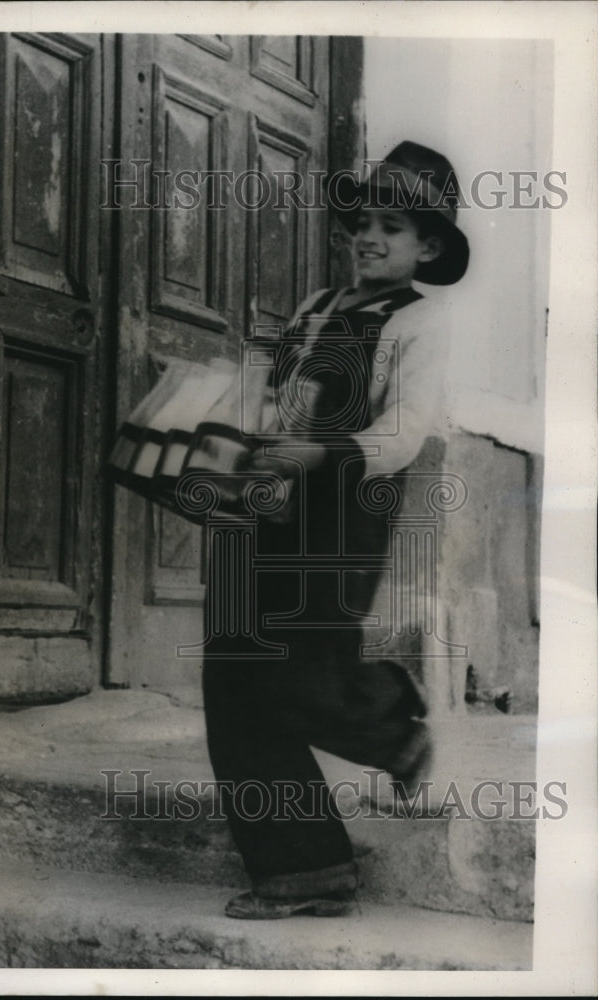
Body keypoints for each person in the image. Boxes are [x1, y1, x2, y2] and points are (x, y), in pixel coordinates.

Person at [201, 141, 470, 919]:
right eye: (363, 223)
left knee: (304, 655)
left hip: (345, 507)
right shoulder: (316, 308)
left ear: (427, 248)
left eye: (393, 227)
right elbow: (279, 397)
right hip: (270, 500)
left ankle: (393, 728)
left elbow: (409, 429)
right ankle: (301, 867)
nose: (370, 238)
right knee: (233, 667)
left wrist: (322, 450)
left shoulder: (420, 321)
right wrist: (244, 450)